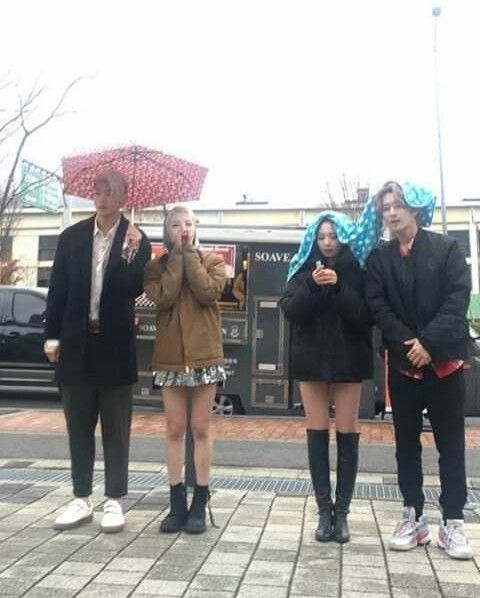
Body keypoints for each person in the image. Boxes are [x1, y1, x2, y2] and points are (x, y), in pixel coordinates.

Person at [366, 181, 473, 560]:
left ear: (416, 209)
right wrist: (410, 345)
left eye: (398, 205)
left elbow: (456, 300)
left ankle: (453, 522)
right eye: (386, 207)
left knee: (451, 446)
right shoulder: (379, 259)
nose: (392, 213)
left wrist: (428, 344)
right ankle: (413, 517)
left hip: (444, 363)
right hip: (404, 367)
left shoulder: (446, 250)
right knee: (405, 446)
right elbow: (379, 308)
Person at [44, 170, 151, 533]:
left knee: (116, 427)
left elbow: (132, 289)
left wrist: (131, 252)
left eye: (110, 192)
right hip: (76, 345)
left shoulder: (137, 239)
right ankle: (80, 497)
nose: (102, 198)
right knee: (78, 424)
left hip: (115, 347)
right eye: (98, 191)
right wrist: (52, 336)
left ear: (124, 197)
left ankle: (115, 500)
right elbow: (57, 289)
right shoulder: (71, 237)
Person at [280, 211, 373, 543]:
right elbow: (290, 310)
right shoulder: (303, 266)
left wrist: (339, 286)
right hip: (311, 361)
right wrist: (311, 285)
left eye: (333, 236)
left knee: (348, 435)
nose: (328, 242)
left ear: (343, 237)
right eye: (322, 237)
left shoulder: (358, 267)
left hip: (348, 362)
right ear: (313, 240)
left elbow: (366, 317)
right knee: (316, 434)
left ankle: (343, 514)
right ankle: (323, 512)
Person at [144, 205, 226, 534]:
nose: (183, 228)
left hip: (205, 356)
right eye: (176, 224)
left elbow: (207, 292)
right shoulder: (155, 267)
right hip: (170, 358)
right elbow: (162, 297)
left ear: (196, 227)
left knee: (201, 428)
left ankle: (200, 502)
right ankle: (176, 501)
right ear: (166, 230)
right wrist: (176, 257)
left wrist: (189, 254)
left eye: (188, 223)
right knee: (174, 429)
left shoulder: (214, 262)